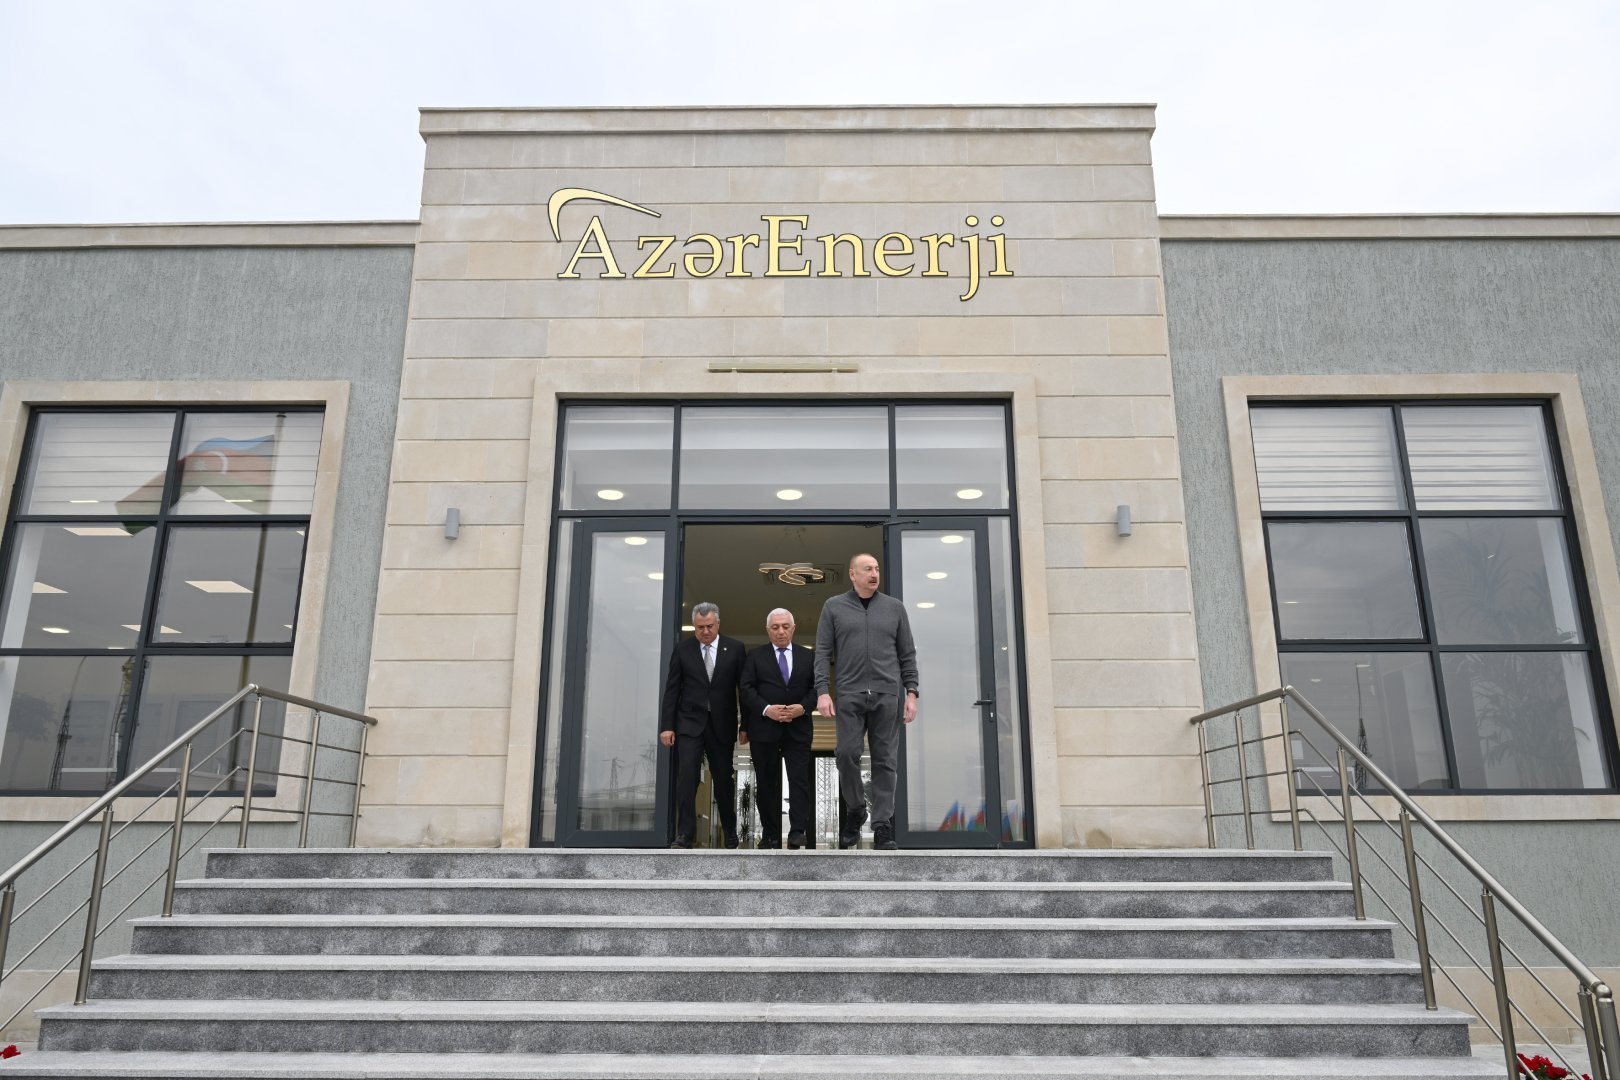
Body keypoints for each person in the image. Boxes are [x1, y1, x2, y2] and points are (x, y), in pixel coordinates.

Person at [814, 553, 918, 850]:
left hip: (888, 694)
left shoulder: (895, 608)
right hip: (850, 693)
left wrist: (911, 692)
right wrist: (822, 691)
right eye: (867, 569)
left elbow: (907, 653)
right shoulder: (833, 607)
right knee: (846, 753)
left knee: (886, 760)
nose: (874, 574)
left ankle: (882, 825)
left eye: (876, 569)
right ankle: (856, 808)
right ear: (852, 574)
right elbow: (822, 652)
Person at [659, 602, 745, 848]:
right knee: (687, 777)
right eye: (700, 628)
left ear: (718, 623)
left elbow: (744, 689)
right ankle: (685, 835)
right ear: (694, 626)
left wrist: (746, 725)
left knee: (723, 779)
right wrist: (667, 725)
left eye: (709, 626)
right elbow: (672, 689)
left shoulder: (735, 649)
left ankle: (730, 832)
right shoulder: (683, 650)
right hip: (689, 724)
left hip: (722, 725)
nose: (705, 632)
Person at [739, 607, 817, 850]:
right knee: (766, 782)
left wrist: (802, 708)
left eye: (785, 626)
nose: (781, 631)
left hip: (798, 728)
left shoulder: (809, 656)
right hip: (764, 729)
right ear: (767, 630)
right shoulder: (755, 656)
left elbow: (817, 689)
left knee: (799, 780)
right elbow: (746, 689)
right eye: (775, 627)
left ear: (793, 628)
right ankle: (770, 834)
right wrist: (766, 709)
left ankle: (797, 832)